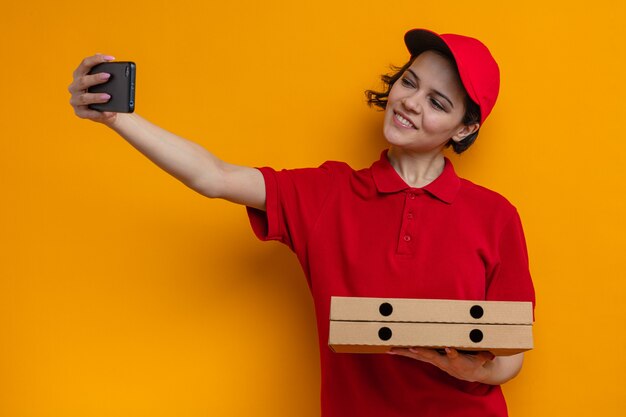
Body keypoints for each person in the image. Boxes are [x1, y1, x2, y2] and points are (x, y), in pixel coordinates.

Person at [68, 28, 535, 417]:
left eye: (437, 102)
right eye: (409, 83)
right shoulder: (328, 193)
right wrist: (118, 118)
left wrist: (468, 370)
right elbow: (215, 176)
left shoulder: (495, 216)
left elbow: (510, 357)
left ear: (465, 128)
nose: (411, 103)